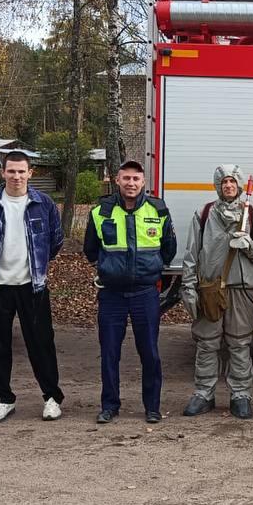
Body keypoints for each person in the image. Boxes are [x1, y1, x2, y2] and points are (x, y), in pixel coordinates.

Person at [0, 150, 65, 424]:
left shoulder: (43, 204)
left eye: (21, 171)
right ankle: (3, 399)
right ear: (3, 173)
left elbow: (55, 241)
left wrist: (37, 267)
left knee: (41, 344)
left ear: (30, 173)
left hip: (32, 286)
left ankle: (51, 398)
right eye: (11, 171)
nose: (16, 176)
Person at [83, 159, 176, 424]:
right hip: (111, 294)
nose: (131, 183)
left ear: (143, 181)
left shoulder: (158, 209)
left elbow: (168, 248)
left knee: (150, 352)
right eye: (126, 178)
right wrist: (107, 269)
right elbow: (91, 250)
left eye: (136, 179)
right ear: (117, 180)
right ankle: (109, 405)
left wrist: (153, 270)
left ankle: (152, 407)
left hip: (145, 293)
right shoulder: (101, 211)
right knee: (110, 352)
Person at [179, 164, 253, 420]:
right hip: (210, 288)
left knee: (239, 343)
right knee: (207, 344)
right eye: (224, 182)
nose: (228, 186)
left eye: (232, 182)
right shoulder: (204, 213)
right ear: (217, 185)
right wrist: (188, 285)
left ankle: (241, 395)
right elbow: (192, 253)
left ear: (240, 185)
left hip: (241, 289)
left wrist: (250, 245)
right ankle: (203, 393)